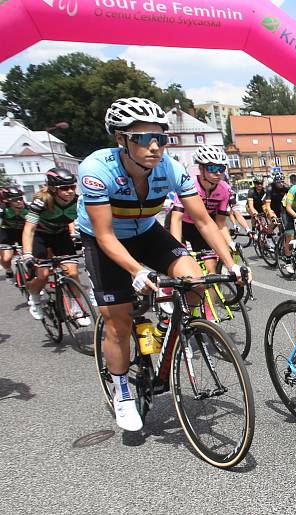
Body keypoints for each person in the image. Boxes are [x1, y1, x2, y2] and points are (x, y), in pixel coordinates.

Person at [78, 97, 245, 432]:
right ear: (120, 139)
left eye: (160, 138)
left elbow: (205, 221)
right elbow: (106, 236)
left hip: (146, 231)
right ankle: (122, 390)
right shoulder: (97, 170)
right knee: (119, 323)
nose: (154, 146)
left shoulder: (171, 169)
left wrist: (232, 263)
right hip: (105, 241)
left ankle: (167, 326)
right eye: (142, 138)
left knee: (196, 281)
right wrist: (137, 271)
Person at [22, 168, 89, 326]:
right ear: (53, 189)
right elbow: (29, 229)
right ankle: (35, 298)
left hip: (61, 235)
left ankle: (76, 307)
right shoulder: (41, 202)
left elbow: (88, 224)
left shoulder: (77, 201)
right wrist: (27, 254)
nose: (70, 191)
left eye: (73, 187)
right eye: (64, 188)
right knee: (43, 274)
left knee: (72, 272)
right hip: (40, 236)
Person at [169, 145, 234, 273]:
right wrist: (176, 248)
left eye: (221, 168)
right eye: (213, 168)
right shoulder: (188, 185)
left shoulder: (224, 189)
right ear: (201, 168)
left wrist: (230, 243)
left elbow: (220, 223)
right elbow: (176, 220)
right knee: (180, 268)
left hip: (202, 226)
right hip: (181, 224)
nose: (218, 173)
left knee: (211, 270)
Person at [0, 187, 28, 281]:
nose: (19, 201)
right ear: (8, 201)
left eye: (21, 198)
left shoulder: (28, 208)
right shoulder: (2, 209)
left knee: (30, 255)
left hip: (22, 231)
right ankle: (8, 270)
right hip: (6, 232)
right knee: (6, 258)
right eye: (15, 200)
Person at [264, 170, 289, 235]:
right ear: (274, 182)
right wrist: (272, 216)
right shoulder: (270, 189)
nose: (281, 184)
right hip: (268, 205)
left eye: (282, 182)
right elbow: (268, 206)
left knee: (283, 222)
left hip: (279, 205)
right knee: (274, 222)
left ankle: (281, 235)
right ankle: (268, 236)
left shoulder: (286, 187)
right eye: (278, 182)